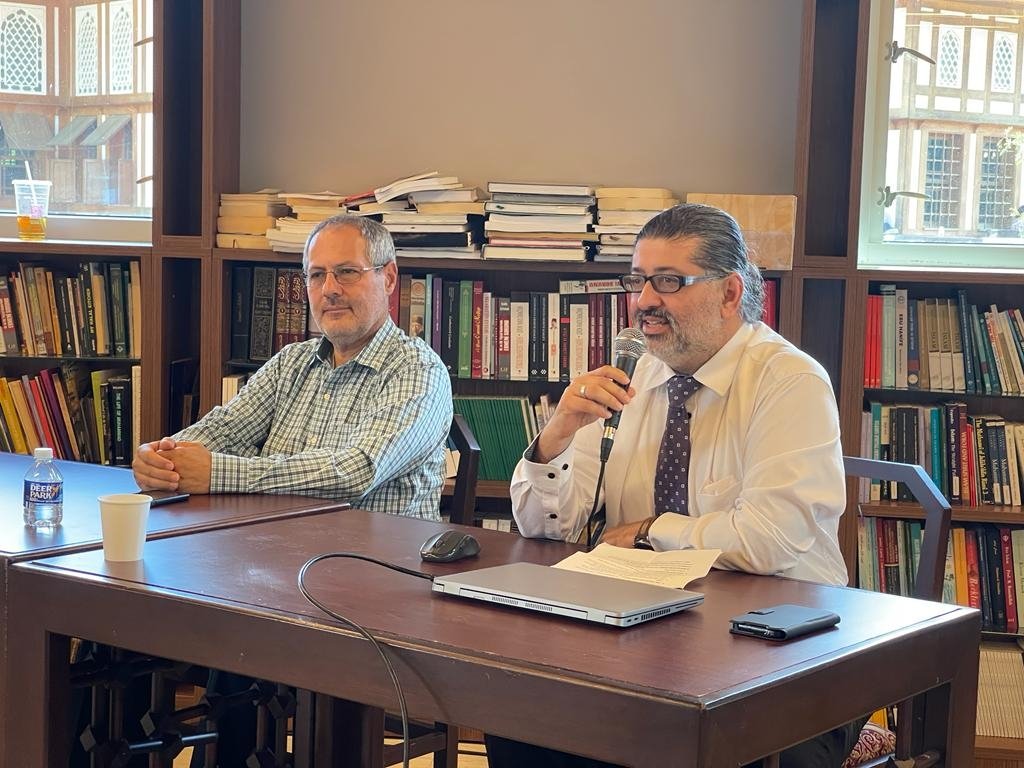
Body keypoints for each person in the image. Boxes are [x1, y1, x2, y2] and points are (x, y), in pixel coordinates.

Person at [487, 203, 860, 768]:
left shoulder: (790, 380)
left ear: (730, 293)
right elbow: (548, 529)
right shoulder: (635, 368)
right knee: (524, 715)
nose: (643, 302)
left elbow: (769, 541)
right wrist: (556, 436)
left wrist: (648, 532)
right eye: (638, 281)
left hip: (784, 647)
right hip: (649, 627)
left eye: (668, 282)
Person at [132, 214, 452, 519]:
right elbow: (226, 429)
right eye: (316, 275)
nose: (330, 289)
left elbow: (357, 471)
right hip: (273, 553)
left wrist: (217, 472)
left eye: (347, 272)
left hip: (377, 565)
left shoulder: (418, 370)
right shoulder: (292, 362)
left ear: (389, 279)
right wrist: (163, 458)